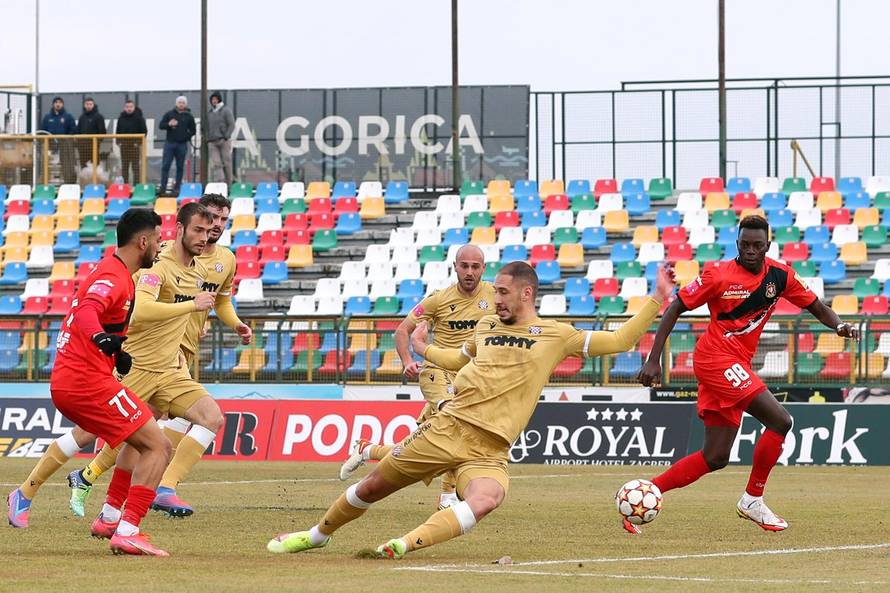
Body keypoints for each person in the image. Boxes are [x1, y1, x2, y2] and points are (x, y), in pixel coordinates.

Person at [267, 261, 674, 558]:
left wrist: (657, 297)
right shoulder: (486, 326)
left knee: (487, 498)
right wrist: (424, 349)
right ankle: (316, 535)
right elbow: (459, 359)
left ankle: (402, 544)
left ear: (526, 294)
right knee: (373, 487)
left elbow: (620, 340)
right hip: (448, 427)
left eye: (502, 292)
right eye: (495, 292)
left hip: (490, 448)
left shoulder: (556, 335)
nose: (494, 299)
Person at [635, 215, 859, 534]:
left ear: (768, 245)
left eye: (757, 245)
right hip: (715, 359)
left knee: (715, 456)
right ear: (737, 244)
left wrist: (839, 325)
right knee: (780, 421)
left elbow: (817, 307)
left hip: (735, 363)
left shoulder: (781, 276)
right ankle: (753, 499)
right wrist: (653, 359)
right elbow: (675, 308)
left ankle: (646, 492)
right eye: (744, 245)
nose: (750, 250)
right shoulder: (718, 275)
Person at [66, 194, 252, 518]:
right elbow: (143, 306)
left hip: (180, 353)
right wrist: (185, 312)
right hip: (149, 356)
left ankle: (127, 494)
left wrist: (235, 324)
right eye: (208, 220)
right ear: (186, 225)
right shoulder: (163, 256)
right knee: (118, 429)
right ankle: (43, 485)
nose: (215, 227)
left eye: (222, 220)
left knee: (173, 424)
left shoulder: (224, 260)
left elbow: (220, 302)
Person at [6, 208, 175, 556]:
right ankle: (127, 529)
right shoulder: (115, 276)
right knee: (159, 446)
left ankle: (105, 517)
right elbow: (87, 311)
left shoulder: (114, 271)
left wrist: (116, 352)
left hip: (78, 379)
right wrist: (100, 338)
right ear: (143, 241)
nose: (161, 246)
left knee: (140, 438)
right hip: (85, 383)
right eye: (159, 239)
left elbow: (94, 316)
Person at [339, 244, 496, 510]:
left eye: (475, 266)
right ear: (455, 267)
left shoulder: (494, 295)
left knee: (428, 445)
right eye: (464, 266)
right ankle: (447, 497)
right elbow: (402, 331)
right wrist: (407, 361)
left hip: (471, 379)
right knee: (458, 424)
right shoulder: (438, 299)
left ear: (483, 268)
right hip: (438, 372)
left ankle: (367, 449)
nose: (469, 272)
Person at [159, 95, 196, 196]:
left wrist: (185, 136)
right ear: (176, 103)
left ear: (186, 104)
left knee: (180, 167)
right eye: (179, 102)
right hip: (169, 144)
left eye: (183, 103)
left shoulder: (189, 116)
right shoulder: (169, 114)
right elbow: (161, 125)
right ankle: (163, 188)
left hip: (182, 145)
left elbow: (193, 130)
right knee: (166, 165)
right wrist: (169, 124)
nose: (181, 104)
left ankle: (177, 188)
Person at [39, 96, 76, 183]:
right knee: (47, 164)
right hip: (50, 145)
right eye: (56, 102)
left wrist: (66, 139)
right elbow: (43, 130)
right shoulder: (47, 117)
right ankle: (46, 183)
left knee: (67, 164)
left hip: (65, 145)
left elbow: (73, 130)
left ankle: (68, 182)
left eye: (60, 102)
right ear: (53, 104)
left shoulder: (68, 116)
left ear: (62, 104)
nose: (58, 104)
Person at [116, 100, 147, 185]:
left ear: (134, 107)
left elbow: (144, 131)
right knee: (124, 167)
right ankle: (125, 186)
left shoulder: (139, 118)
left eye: (131, 107)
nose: (129, 108)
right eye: (127, 107)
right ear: (124, 108)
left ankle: (136, 186)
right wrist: (119, 142)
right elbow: (118, 131)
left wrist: (138, 143)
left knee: (135, 167)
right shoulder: (121, 118)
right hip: (124, 146)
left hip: (135, 146)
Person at [206, 91, 235, 186]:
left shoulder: (226, 110)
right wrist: (207, 138)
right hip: (212, 142)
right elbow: (205, 127)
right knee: (216, 163)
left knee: (227, 162)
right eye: (212, 99)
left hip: (224, 141)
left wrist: (226, 136)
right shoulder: (209, 113)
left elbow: (231, 124)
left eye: (215, 99)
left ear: (219, 99)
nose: (214, 101)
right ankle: (221, 183)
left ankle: (229, 185)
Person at [76, 97, 107, 170]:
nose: (89, 106)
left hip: (94, 146)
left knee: (94, 164)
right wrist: (79, 143)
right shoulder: (82, 117)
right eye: (87, 104)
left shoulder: (99, 117)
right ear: (84, 105)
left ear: (93, 105)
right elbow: (78, 131)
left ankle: (95, 177)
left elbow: (102, 132)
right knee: (84, 165)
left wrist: (97, 142)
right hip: (83, 147)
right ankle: (85, 177)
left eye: (90, 104)